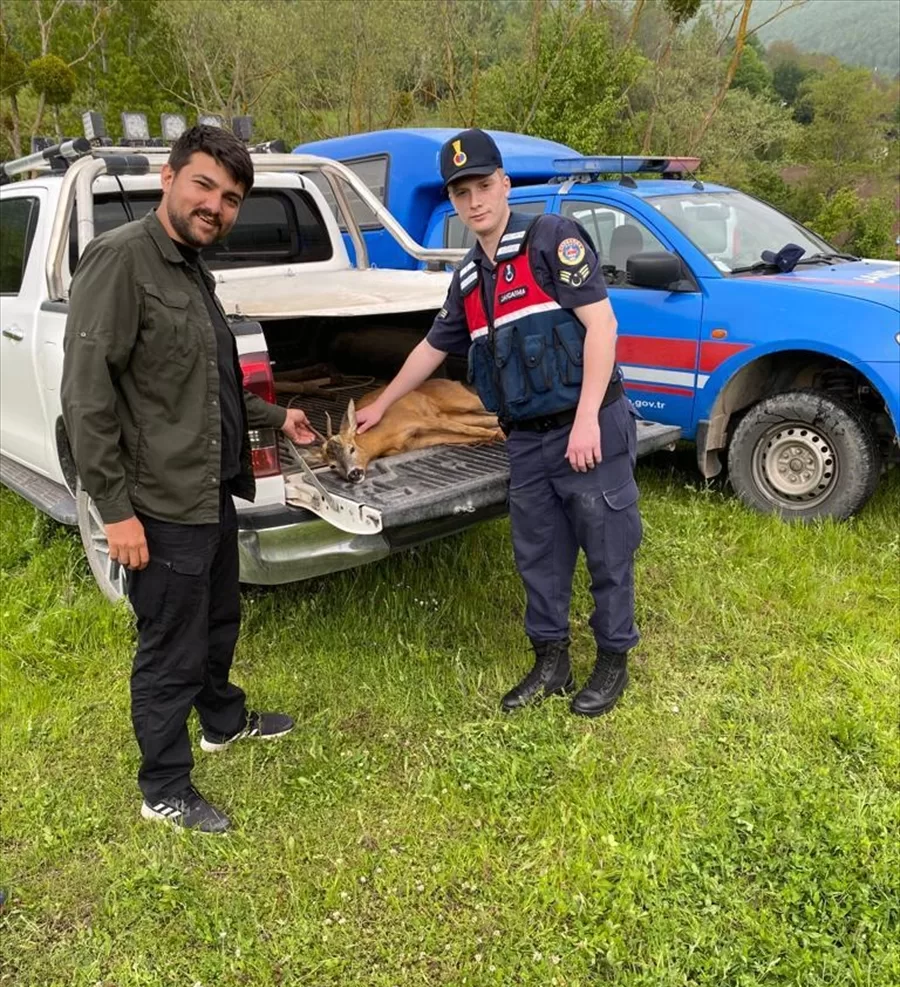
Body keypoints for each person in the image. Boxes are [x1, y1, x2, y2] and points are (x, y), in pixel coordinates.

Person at [61, 124, 316, 833]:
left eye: (231, 197)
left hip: (209, 491)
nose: (217, 205)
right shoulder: (121, 261)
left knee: (216, 624)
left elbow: (209, 387)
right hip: (160, 503)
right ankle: (164, 790)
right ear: (168, 177)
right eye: (205, 185)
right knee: (169, 648)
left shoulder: (191, 269)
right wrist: (115, 512)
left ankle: (222, 724)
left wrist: (278, 415)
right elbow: (87, 398)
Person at [357, 129, 643, 717]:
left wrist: (588, 416)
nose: (474, 201)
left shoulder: (551, 241)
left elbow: (603, 327)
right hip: (526, 443)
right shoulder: (467, 278)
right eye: (461, 193)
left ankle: (612, 659)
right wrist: (383, 404)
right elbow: (432, 349)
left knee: (607, 549)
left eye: (484, 186)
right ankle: (551, 661)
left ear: (505, 185)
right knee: (538, 555)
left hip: (585, 427)